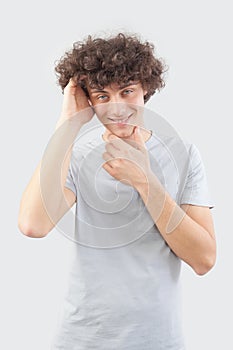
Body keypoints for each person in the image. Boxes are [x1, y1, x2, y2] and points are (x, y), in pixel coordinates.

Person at [18, 32, 216, 350]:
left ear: (145, 89)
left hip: (158, 340)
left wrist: (144, 181)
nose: (117, 108)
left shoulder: (184, 154)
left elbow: (204, 259)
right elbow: (33, 225)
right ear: (89, 101)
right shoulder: (77, 154)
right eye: (102, 96)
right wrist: (67, 123)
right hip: (82, 339)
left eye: (127, 91)